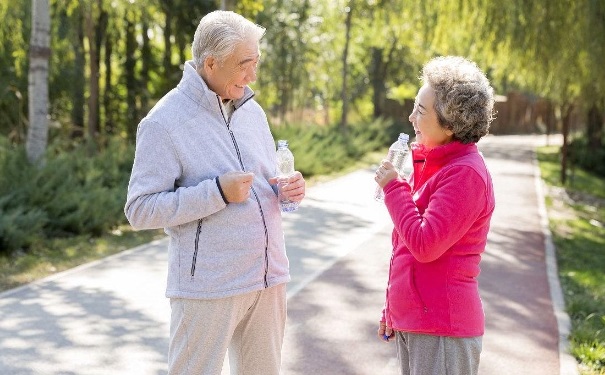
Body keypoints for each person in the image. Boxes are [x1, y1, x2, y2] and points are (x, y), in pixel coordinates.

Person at [124, 10, 305, 375]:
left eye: (256, 62)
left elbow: (264, 185)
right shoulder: (163, 123)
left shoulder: (252, 112)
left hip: (268, 280)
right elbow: (139, 209)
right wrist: (217, 192)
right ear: (211, 63)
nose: (252, 74)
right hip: (208, 287)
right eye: (244, 64)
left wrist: (287, 192)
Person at [374, 55, 496, 375]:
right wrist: (394, 307)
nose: (411, 116)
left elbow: (425, 245)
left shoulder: (465, 174)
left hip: (443, 327)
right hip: (418, 322)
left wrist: (394, 188)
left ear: (451, 123)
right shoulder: (433, 164)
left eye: (421, 110)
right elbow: (403, 247)